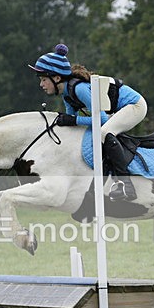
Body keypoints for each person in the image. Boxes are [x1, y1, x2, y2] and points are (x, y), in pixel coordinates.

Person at [28, 43, 147, 201]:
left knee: (105, 132)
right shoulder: (66, 94)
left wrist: (73, 120)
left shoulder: (79, 89)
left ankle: (126, 185)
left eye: (44, 80)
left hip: (135, 106)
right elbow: (73, 125)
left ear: (56, 78)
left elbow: (101, 120)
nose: (41, 85)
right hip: (117, 110)